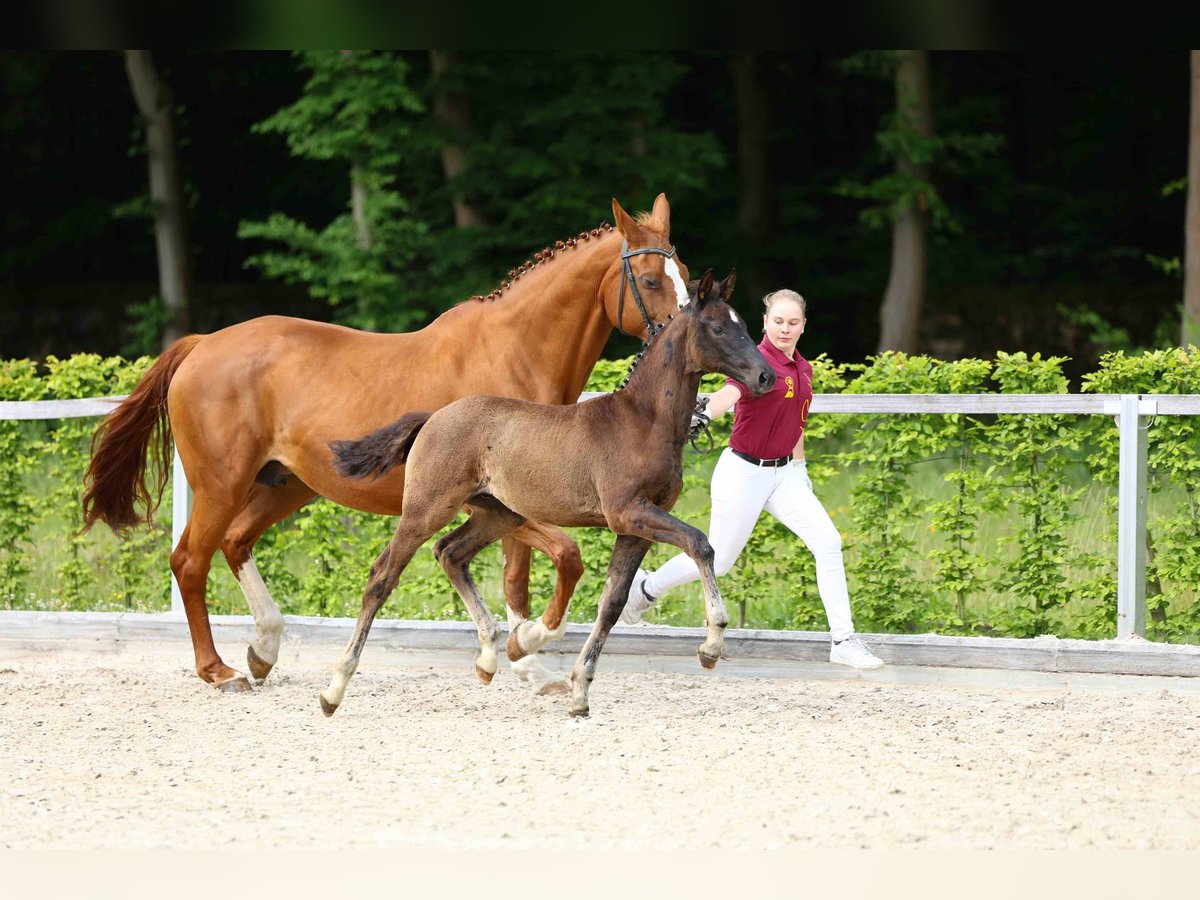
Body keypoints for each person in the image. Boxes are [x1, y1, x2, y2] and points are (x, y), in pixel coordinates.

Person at [619, 288, 884, 670]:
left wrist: (800, 471)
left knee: (828, 543)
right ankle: (645, 588)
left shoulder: (803, 369)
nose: (785, 329)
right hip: (743, 472)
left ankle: (842, 640)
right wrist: (706, 412)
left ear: (803, 325)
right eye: (778, 321)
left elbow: (797, 422)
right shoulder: (754, 362)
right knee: (721, 561)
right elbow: (728, 393)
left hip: (786, 475)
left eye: (793, 323)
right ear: (765, 323)